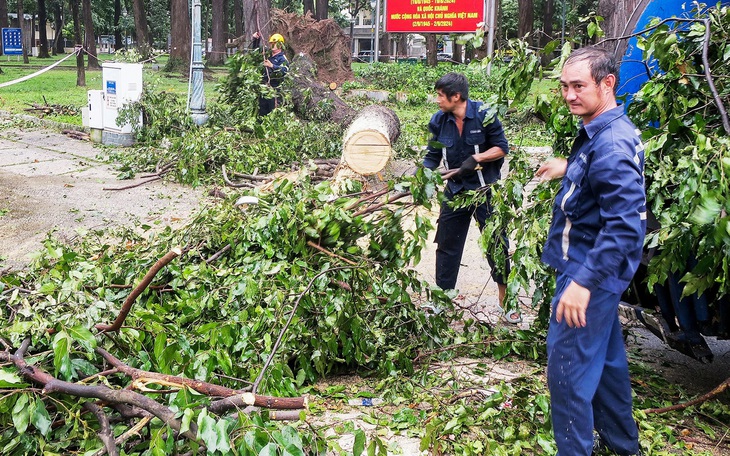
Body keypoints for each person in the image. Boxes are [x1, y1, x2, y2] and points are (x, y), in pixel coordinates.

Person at [535, 46, 645, 456]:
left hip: (588, 273)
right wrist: (571, 166)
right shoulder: (606, 130)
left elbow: (624, 225)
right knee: (608, 368)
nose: (568, 95)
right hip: (598, 276)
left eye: (579, 86)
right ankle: (623, 447)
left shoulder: (610, 146)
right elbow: (606, 183)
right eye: (564, 86)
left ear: (607, 83)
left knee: (566, 375)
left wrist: (583, 282)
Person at [422, 72, 515, 322]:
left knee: (497, 245)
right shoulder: (438, 121)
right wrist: (422, 178)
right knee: (447, 247)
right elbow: (432, 156)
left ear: (456, 96)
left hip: (486, 191)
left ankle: (506, 303)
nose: (437, 100)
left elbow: (501, 148)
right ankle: (443, 300)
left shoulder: (485, 114)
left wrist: (477, 158)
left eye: (441, 95)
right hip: (455, 192)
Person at [250, 31, 289, 116]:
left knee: (272, 112)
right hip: (264, 88)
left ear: (280, 45)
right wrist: (256, 40)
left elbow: (284, 70)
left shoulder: (282, 59)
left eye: (275, 43)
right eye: (271, 43)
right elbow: (255, 53)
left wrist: (272, 66)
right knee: (262, 110)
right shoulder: (267, 54)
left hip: (275, 90)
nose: (272, 45)